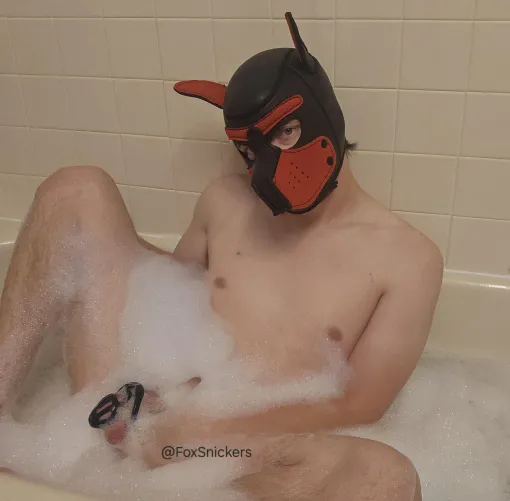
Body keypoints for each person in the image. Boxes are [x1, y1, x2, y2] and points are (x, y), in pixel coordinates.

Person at [0, 13, 442, 501]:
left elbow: (359, 405)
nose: (266, 166)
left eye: (287, 132)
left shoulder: (407, 260)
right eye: (250, 151)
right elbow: (162, 296)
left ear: (324, 115)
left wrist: (205, 428)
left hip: (237, 450)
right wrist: (154, 398)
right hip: (130, 408)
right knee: (76, 190)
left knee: (386, 477)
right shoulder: (225, 201)